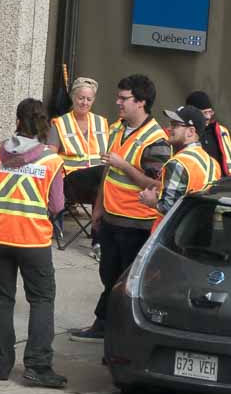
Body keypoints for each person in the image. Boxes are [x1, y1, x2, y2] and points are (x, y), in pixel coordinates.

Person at [72, 75, 170, 341]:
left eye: (124, 98)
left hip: (136, 223)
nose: (118, 102)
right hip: (112, 218)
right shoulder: (117, 128)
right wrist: (98, 207)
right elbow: (108, 172)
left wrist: (124, 165)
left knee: (124, 283)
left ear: (141, 102)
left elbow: (156, 183)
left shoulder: (156, 140)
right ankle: (105, 326)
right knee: (109, 276)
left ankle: (113, 330)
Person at [0, 100, 68, 388]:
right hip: (32, 241)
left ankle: (0, 364)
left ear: (17, 121)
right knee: (41, 300)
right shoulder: (52, 161)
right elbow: (57, 205)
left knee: (1, 301)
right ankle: (38, 366)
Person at [151, 106, 224, 217]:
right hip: (199, 230)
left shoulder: (178, 163)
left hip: (174, 232)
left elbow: (168, 208)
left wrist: (151, 201)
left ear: (190, 132)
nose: (169, 128)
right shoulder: (213, 163)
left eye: (175, 125)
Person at [48, 76, 109, 206]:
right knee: (103, 173)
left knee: (109, 177)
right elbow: (50, 158)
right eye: (81, 98)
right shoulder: (60, 123)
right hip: (70, 182)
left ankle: (98, 225)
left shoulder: (102, 123)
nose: (84, 103)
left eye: (89, 99)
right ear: (73, 97)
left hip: (97, 182)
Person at [187, 91, 231, 177]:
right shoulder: (184, 133)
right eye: (204, 112)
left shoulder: (221, 132)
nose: (208, 116)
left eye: (210, 112)